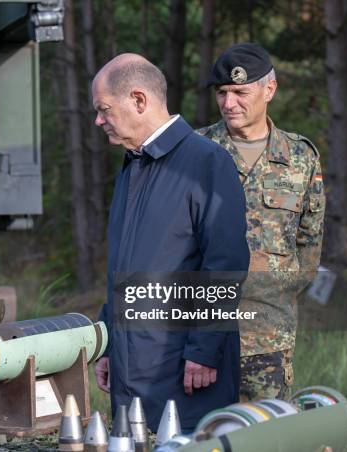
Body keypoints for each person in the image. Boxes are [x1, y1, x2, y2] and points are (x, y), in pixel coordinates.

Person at [92, 53, 250, 431]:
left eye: (103, 109)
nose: (98, 120)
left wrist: (204, 351)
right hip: (134, 370)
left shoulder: (206, 162)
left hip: (185, 373)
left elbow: (225, 263)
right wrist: (110, 343)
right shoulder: (133, 166)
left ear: (139, 100)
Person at [198, 42, 325, 401]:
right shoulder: (196, 151)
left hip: (269, 335)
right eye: (222, 93)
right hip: (202, 335)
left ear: (269, 90)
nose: (228, 102)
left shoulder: (300, 157)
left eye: (240, 92)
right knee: (202, 434)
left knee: (266, 433)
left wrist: (273, 292)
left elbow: (309, 245)